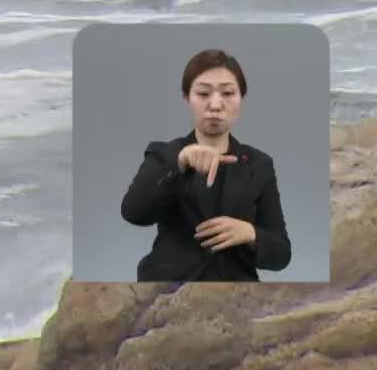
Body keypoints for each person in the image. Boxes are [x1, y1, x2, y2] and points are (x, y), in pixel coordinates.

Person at [118, 48, 291, 281]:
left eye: (228, 93)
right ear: (186, 97)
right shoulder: (164, 155)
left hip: (234, 292)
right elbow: (133, 213)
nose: (215, 105)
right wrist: (180, 162)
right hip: (166, 288)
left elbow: (281, 254)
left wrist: (250, 233)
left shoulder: (259, 164)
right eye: (203, 94)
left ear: (241, 99)